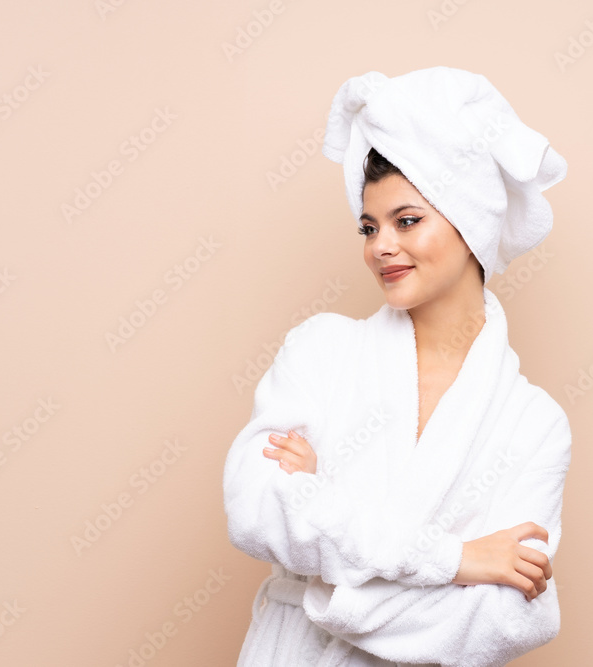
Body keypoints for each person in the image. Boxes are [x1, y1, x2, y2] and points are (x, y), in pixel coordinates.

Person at [224, 66, 571, 667]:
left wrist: (325, 543)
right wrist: (456, 560)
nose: (380, 246)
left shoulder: (534, 425)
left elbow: (511, 616)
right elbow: (258, 511)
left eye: (407, 221)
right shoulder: (322, 351)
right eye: (369, 227)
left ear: (470, 222)